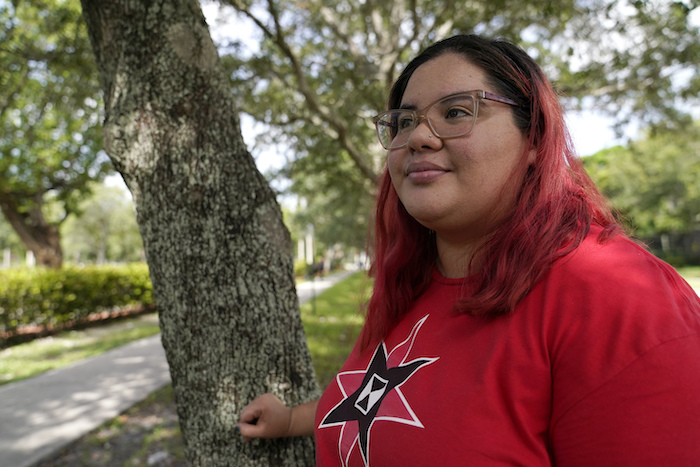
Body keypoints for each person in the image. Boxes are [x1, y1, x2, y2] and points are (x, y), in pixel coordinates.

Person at [236, 34, 700, 466]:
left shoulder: (620, 301)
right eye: (403, 122)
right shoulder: (410, 286)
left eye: (456, 112)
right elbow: (379, 396)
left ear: (535, 136)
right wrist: (293, 419)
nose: (418, 137)